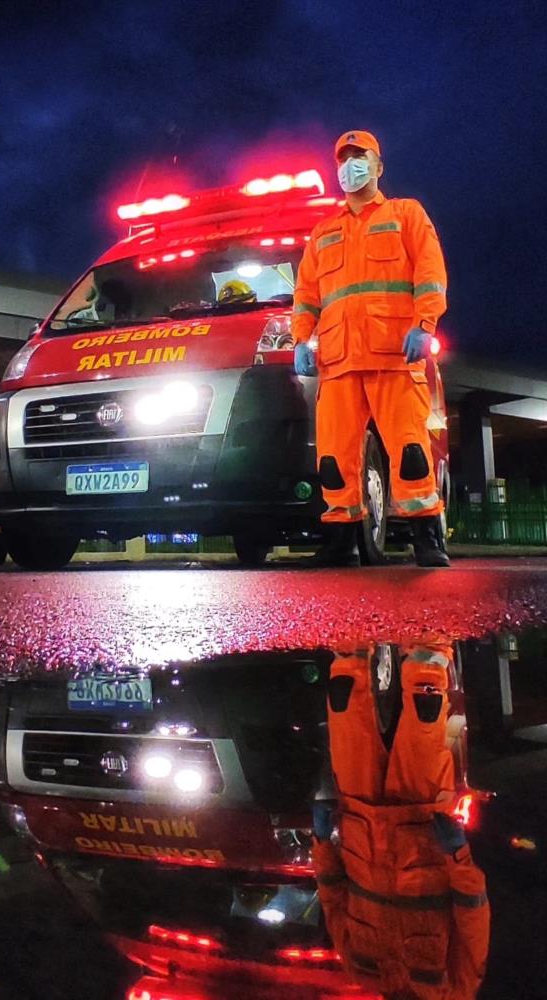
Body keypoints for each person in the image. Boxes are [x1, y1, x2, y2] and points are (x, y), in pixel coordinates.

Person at [292, 130, 449, 567]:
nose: (350, 166)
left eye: (360, 157)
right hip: (338, 362)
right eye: (344, 159)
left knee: (410, 449)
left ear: (379, 167)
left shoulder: (406, 214)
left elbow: (430, 272)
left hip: (393, 355)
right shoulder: (323, 231)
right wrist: (301, 338)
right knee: (333, 457)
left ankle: (426, 539)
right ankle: (341, 543)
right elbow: (305, 295)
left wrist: (424, 324)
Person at [312, 644, 489, 998]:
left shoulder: (359, 970)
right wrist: (457, 856)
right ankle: (430, 631)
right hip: (421, 822)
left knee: (344, 697)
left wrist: (322, 843)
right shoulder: (454, 991)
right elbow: (472, 916)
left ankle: (349, 638)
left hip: (360, 815)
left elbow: (333, 897)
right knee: (426, 704)